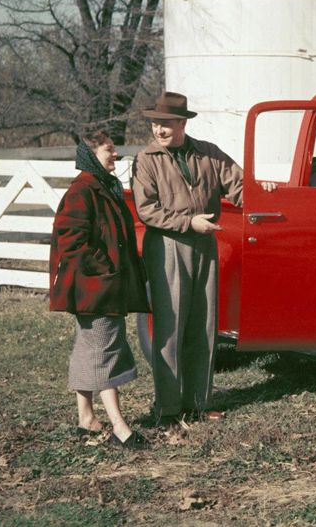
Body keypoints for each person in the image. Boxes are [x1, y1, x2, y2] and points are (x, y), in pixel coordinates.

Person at [131, 91, 244, 425]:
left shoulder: (207, 153)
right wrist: (187, 222)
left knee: (204, 323)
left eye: (166, 124)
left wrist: (266, 200)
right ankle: (167, 408)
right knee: (169, 327)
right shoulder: (146, 159)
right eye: (155, 123)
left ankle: (199, 403)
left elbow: (238, 184)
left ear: (182, 123)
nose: (160, 130)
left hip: (204, 246)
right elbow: (147, 209)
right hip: (167, 245)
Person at [50, 130, 150, 449]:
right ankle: (120, 427)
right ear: (92, 153)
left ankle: (86, 420)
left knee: (88, 350)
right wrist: (103, 269)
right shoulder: (82, 190)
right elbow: (70, 240)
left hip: (100, 287)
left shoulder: (104, 186)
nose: (115, 154)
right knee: (107, 351)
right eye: (109, 149)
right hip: (94, 289)